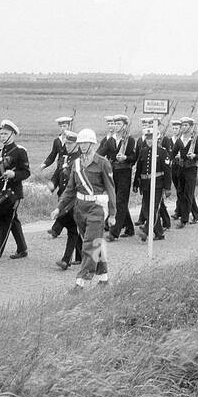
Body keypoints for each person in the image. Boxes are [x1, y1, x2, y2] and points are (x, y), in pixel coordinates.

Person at [56, 128, 116, 288]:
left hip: (96, 209)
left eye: (86, 143)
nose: (83, 146)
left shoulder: (102, 163)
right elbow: (70, 189)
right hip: (80, 209)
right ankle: (104, 279)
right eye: (81, 143)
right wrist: (59, 207)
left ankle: (81, 282)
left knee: (90, 244)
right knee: (95, 244)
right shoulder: (76, 164)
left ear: (93, 144)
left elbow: (110, 189)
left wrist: (112, 213)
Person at [0, 119, 30, 261]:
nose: (2, 136)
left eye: (5, 134)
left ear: (13, 134)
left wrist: (14, 174)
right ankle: (22, 249)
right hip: (1, 193)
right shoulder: (0, 152)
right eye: (1, 134)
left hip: (13, 194)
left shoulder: (20, 151)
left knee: (5, 222)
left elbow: (26, 172)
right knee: (13, 221)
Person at [134, 119, 171, 240]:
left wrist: (167, 187)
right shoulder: (143, 152)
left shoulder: (162, 152)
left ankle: (147, 231)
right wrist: (136, 183)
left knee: (154, 209)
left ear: (157, 139)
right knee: (146, 209)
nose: (149, 141)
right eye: (148, 138)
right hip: (145, 185)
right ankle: (159, 233)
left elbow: (167, 171)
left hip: (158, 185)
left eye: (152, 138)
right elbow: (139, 169)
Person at [43, 116, 77, 244]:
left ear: (69, 126)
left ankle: (56, 229)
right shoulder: (57, 141)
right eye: (61, 126)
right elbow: (53, 156)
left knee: (65, 204)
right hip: (60, 171)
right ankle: (61, 227)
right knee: (62, 201)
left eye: (65, 126)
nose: (63, 128)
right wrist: (45, 165)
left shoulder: (74, 143)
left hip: (69, 173)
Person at [103, 114, 138, 239]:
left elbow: (134, 157)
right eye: (115, 123)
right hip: (113, 173)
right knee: (117, 201)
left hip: (124, 172)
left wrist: (126, 158)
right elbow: (101, 152)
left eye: (119, 124)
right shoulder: (111, 140)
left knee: (120, 201)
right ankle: (129, 228)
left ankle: (114, 232)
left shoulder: (130, 140)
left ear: (125, 126)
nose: (116, 126)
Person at [53, 138, 84, 271]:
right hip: (65, 196)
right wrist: (53, 184)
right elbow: (58, 172)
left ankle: (56, 228)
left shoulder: (79, 159)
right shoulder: (65, 157)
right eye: (66, 143)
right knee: (73, 231)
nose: (67, 146)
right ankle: (68, 259)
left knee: (76, 229)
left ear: (76, 145)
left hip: (75, 199)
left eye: (70, 143)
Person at [170, 117, 198, 226]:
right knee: (181, 193)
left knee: (188, 193)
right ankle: (196, 215)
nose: (183, 128)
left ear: (191, 127)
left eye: (186, 125)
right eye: (182, 125)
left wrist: (194, 156)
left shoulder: (196, 139)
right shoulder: (179, 139)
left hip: (191, 169)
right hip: (181, 169)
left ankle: (184, 219)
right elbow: (172, 153)